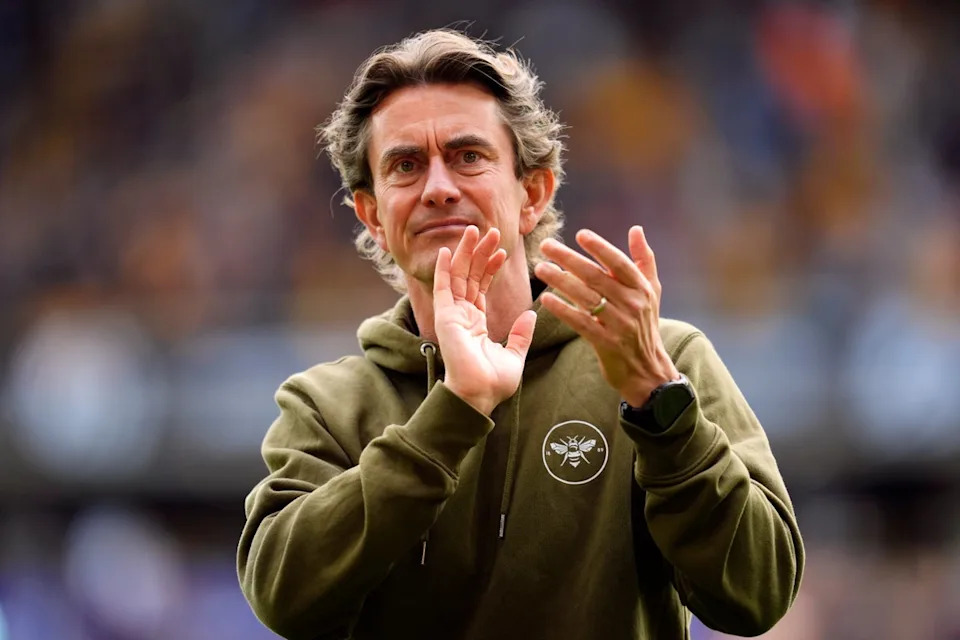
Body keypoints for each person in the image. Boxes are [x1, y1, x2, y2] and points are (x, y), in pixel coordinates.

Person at [237, 29, 804, 640]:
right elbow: (283, 598)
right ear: (373, 215)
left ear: (532, 193)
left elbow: (758, 595)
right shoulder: (325, 406)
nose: (438, 188)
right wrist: (453, 413)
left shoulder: (656, 360)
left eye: (468, 156)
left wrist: (660, 407)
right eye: (406, 166)